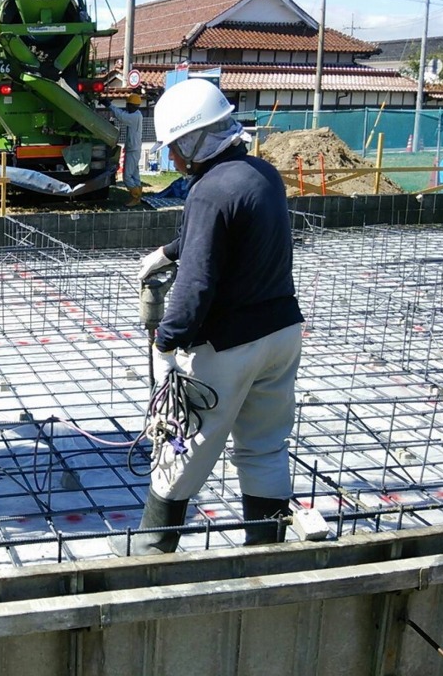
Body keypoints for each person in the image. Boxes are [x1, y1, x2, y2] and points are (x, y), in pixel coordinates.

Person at [121, 78, 303, 554]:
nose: (174, 158)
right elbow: (226, 233)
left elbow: (195, 284)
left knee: (180, 449)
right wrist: (168, 250)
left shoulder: (206, 191)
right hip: (283, 332)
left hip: (229, 346)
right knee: (264, 447)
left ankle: (151, 551)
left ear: (196, 139)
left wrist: (166, 343)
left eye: (176, 147)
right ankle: (267, 550)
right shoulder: (263, 173)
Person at [103, 93, 144, 207]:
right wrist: (111, 105)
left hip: (133, 149)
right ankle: (138, 196)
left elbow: (122, 117)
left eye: (128, 105)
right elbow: (123, 114)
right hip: (134, 149)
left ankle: (135, 196)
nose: (127, 107)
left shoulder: (134, 116)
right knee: (135, 175)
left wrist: (109, 105)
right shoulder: (137, 114)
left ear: (134, 106)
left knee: (127, 176)